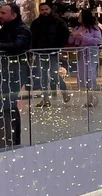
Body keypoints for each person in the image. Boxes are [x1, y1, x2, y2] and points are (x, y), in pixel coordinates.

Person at [0, 3, 31, 148]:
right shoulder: (5, 29)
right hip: (6, 71)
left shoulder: (21, 29)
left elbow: (18, 46)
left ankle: (12, 139)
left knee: (9, 104)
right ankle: (7, 138)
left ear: (13, 15)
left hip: (15, 72)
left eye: (3, 13)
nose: (0, 16)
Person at [30, 3, 70, 107]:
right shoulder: (36, 23)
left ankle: (64, 91)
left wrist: (58, 47)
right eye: (42, 10)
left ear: (50, 9)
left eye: (46, 9)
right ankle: (45, 99)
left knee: (54, 73)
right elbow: (32, 38)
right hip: (39, 53)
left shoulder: (58, 22)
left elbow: (65, 35)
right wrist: (32, 50)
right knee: (42, 76)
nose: (44, 11)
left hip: (53, 52)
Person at [69, 9, 102, 108]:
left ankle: (92, 97)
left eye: (80, 16)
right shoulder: (78, 28)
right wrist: (73, 35)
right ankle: (89, 97)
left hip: (91, 52)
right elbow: (71, 41)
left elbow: (98, 40)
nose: (78, 17)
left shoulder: (94, 28)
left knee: (90, 73)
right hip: (81, 52)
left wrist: (83, 38)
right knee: (83, 74)